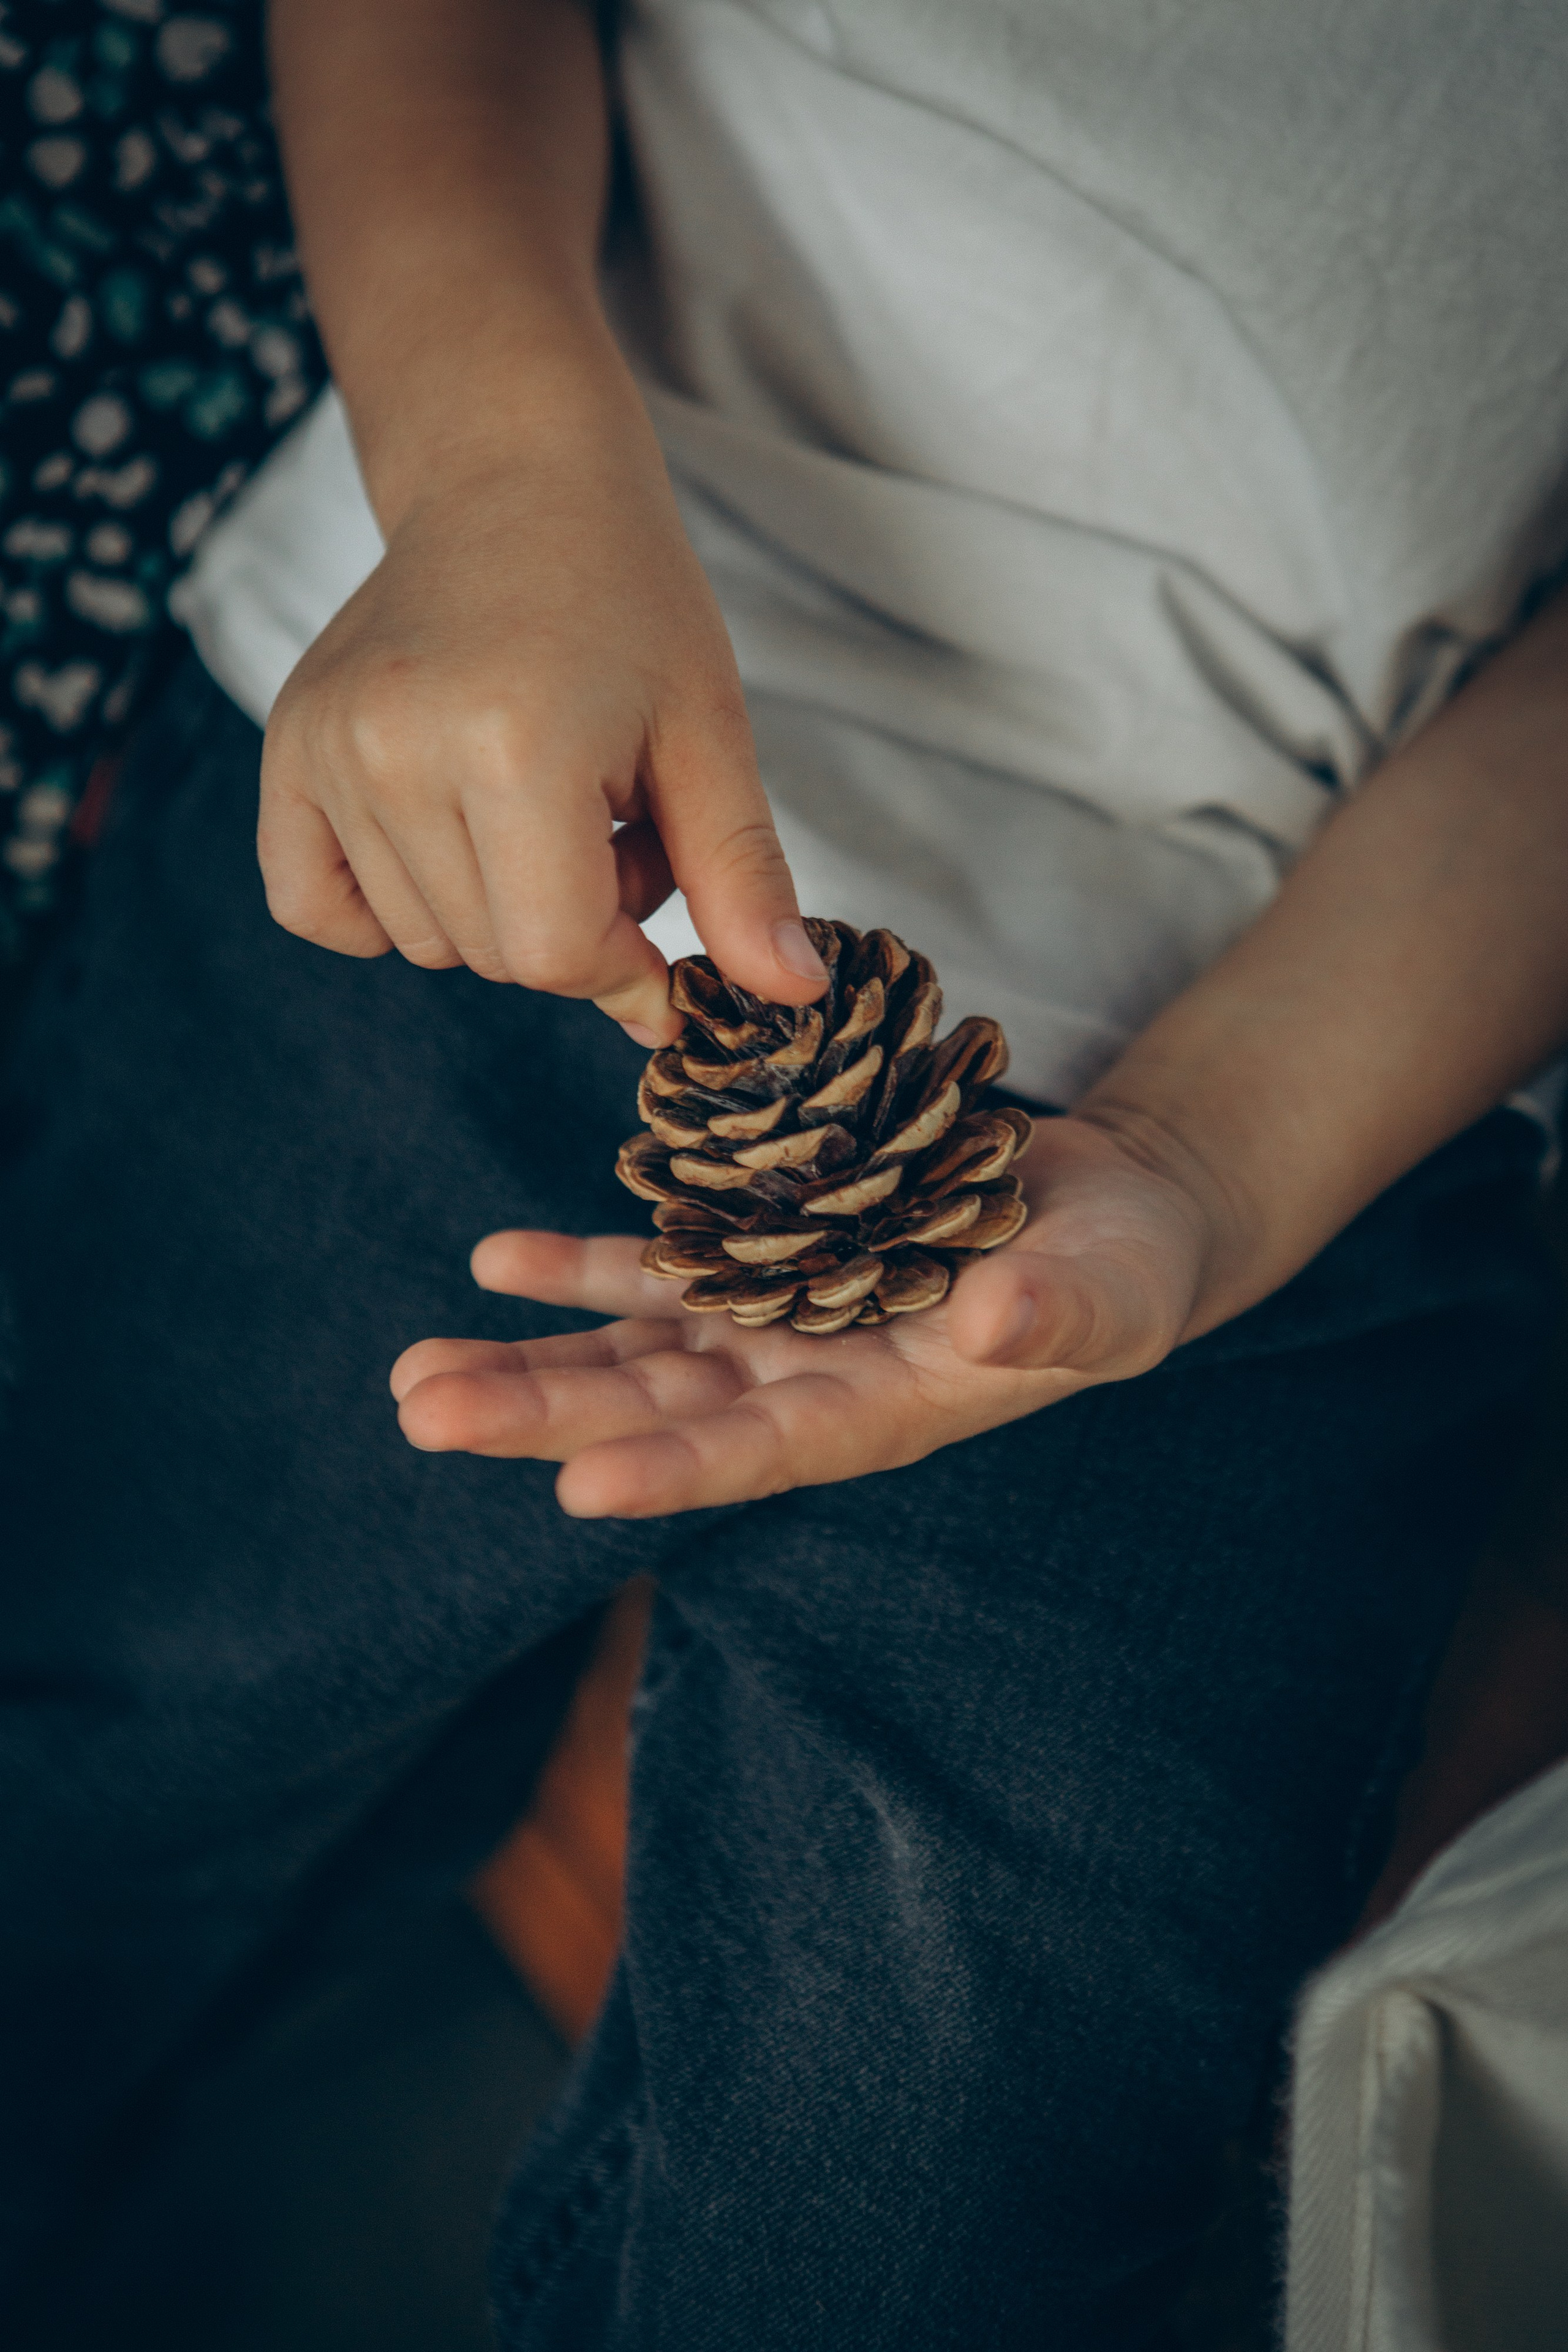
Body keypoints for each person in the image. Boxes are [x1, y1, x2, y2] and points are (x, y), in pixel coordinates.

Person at [3, 1, 1568, 2345]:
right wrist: (494, 468)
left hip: (1333, 1026)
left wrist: (1209, 1169)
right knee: (110, 1709)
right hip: (461, 708)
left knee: (932, 2209)